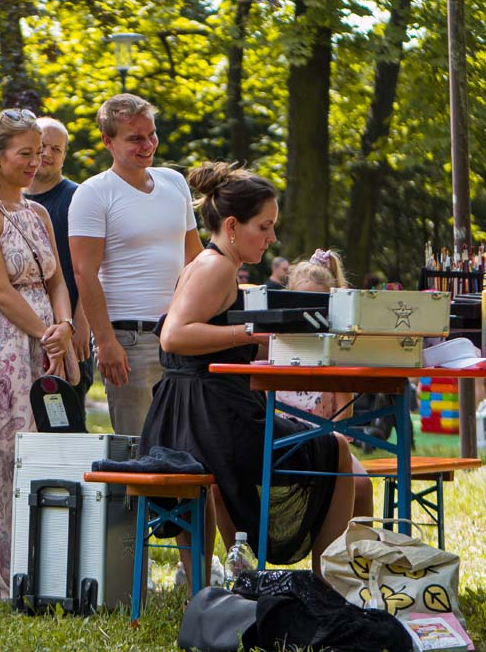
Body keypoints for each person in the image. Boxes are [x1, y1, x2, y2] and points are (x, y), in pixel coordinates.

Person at [139, 162, 354, 581]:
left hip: (184, 415)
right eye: (265, 226)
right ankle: (328, 587)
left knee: (320, 445)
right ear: (233, 226)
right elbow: (174, 336)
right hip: (212, 419)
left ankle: (202, 592)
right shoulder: (217, 267)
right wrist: (251, 332)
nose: (272, 238)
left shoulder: (206, 262)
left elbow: (208, 338)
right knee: (336, 447)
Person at [0, 108, 73, 600]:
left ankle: (48, 559)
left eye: (39, 153)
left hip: (48, 340)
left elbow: (57, 280)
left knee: (48, 448)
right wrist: (45, 332)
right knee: (5, 450)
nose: (35, 162)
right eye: (25, 153)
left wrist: (64, 328)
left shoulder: (38, 212)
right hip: (4, 343)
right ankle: (3, 563)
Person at [69, 93, 202, 436]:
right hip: (129, 338)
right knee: (139, 446)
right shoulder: (93, 193)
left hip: (180, 334)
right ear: (107, 141)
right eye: (135, 139)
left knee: (185, 443)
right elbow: (84, 273)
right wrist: (106, 341)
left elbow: (195, 258)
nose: (148, 145)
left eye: (151, 134)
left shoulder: (174, 182)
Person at [277, 249, 373, 519]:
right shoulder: (277, 343)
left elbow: (345, 411)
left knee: (362, 486)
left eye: (317, 305)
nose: (308, 313)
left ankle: (359, 542)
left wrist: (327, 444)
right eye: (302, 303)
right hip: (281, 445)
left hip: (327, 444)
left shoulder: (336, 350)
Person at [25, 116, 93, 399]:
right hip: (25, 326)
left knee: (67, 411)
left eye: (57, 149)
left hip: (69, 326)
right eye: (42, 146)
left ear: (64, 155)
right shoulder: (10, 200)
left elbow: (93, 266)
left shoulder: (79, 198)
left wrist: (81, 323)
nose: (48, 154)